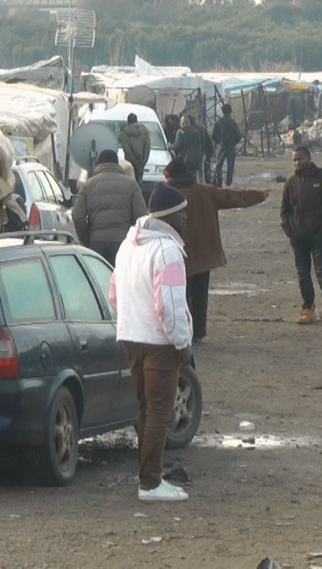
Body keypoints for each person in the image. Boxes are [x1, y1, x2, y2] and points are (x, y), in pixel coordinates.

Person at [109, 183, 193, 503]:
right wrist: (181, 342)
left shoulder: (128, 245)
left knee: (146, 409)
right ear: (169, 217)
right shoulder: (168, 251)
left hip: (131, 337)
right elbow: (168, 306)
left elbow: (114, 294)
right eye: (183, 215)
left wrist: (132, 323)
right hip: (160, 343)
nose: (186, 220)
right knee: (160, 411)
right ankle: (151, 483)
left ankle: (148, 475)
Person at [164, 159, 268, 342]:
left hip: (180, 256)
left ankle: (184, 332)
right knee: (200, 294)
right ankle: (199, 332)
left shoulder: (171, 196)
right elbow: (236, 197)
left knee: (180, 295)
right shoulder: (206, 191)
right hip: (205, 253)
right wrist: (260, 195)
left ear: (172, 176)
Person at [280, 146, 322, 327]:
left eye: (300, 159)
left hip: (318, 237)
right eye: (294, 160)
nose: (297, 163)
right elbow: (285, 209)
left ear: (308, 158)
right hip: (298, 237)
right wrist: (289, 229)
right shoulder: (291, 183)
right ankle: (308, 308)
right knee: (303, 274)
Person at [72, 149, 147, 265]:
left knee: (98, 279)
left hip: (96, 242)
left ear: (98, 164)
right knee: (120, 279)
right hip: (123, 242)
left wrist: (86, 238)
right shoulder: (131, 184)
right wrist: (131, 237)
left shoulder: (88, 184)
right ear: (117, 164)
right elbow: (141, 216)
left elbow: (77, 216)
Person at [212, 104, 242, 187]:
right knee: (230, 166)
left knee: (219, 165)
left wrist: (219, 142)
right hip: (231, 146)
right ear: (230, 111)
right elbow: (239, 135)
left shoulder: (218, 122)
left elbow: (213, 135)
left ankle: (218, 180)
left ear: (222, 111)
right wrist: (234, 142)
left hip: (222, 146)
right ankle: (228, 183)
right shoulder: (233, 123)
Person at [119, 113, 152, 189]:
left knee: (129, 185)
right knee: (139, 185)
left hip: (129, 163)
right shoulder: (145, 131)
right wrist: (143, 162)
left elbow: (126, 150)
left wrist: (134, 161)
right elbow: (147, 147)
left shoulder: (124, 133)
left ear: (128, 121)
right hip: (141, 162)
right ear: (136, 120)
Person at [171, 115, 206, 184]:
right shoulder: (196, 132)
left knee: (183, 178)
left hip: (185, 158)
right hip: (196, 158)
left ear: (183, 123)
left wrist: (169, 146)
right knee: (193, 178)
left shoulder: (181, 132)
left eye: (181, 123)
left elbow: (177, 146)